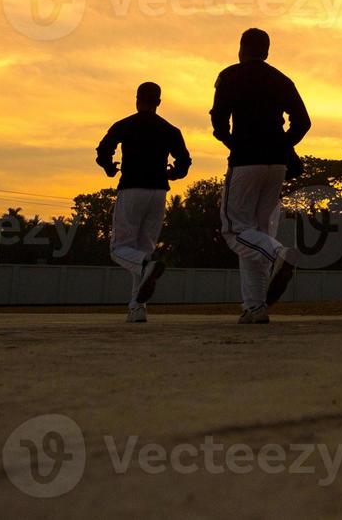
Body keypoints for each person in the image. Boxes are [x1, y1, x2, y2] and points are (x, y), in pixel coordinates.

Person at [211, 28, 312, 324]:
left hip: (245, 161)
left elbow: (218, 120)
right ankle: (255, 306)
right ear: (267, 52)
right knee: (255, 233)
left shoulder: (230, 76)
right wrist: (283, 144)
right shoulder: (281, 79)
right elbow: (303, 121)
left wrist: (232, 141)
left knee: (235, 230)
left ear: (241, 48)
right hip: (276, 164)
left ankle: (278, 254)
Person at [97, 81, 192, 324]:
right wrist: (173, 173)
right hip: (159, 192)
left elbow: (104, 148)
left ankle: (146, 269)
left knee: (120, 250)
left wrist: (109, 167)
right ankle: (137, 308)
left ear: (137, 98)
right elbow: (184, 160)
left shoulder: (126, 124)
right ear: (159, 102)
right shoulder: (169, 130)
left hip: (132, 188)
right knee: (142, 250)